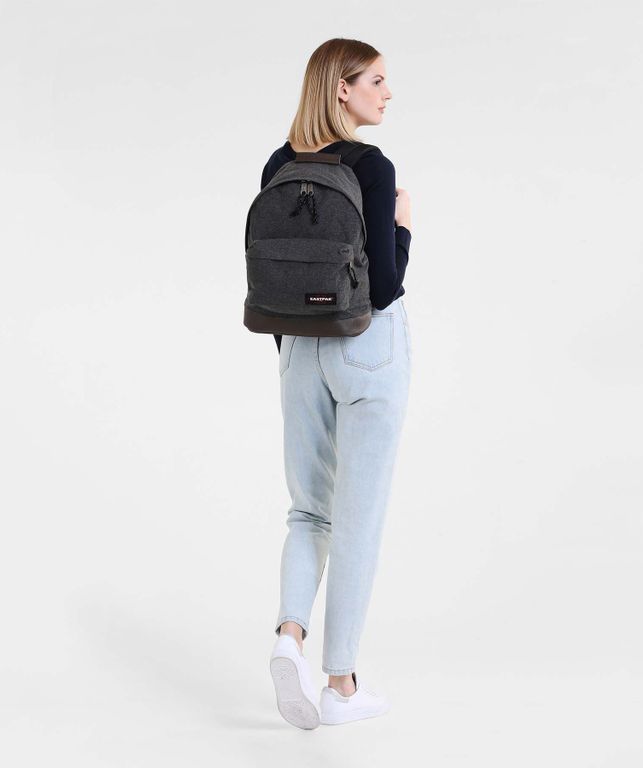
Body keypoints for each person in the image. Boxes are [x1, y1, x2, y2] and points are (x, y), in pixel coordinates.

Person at [265, 38, 413, 729]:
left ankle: (288, 638)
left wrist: (295, 349)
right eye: (376, 81)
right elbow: (384, 285)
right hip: (366, 347)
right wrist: (403, 227)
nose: (387, 93)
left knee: (308, 511)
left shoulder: (278, 163)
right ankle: (341, 686)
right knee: (358, 518)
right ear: (342, 89)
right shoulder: (373, 166)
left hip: (298, 347)